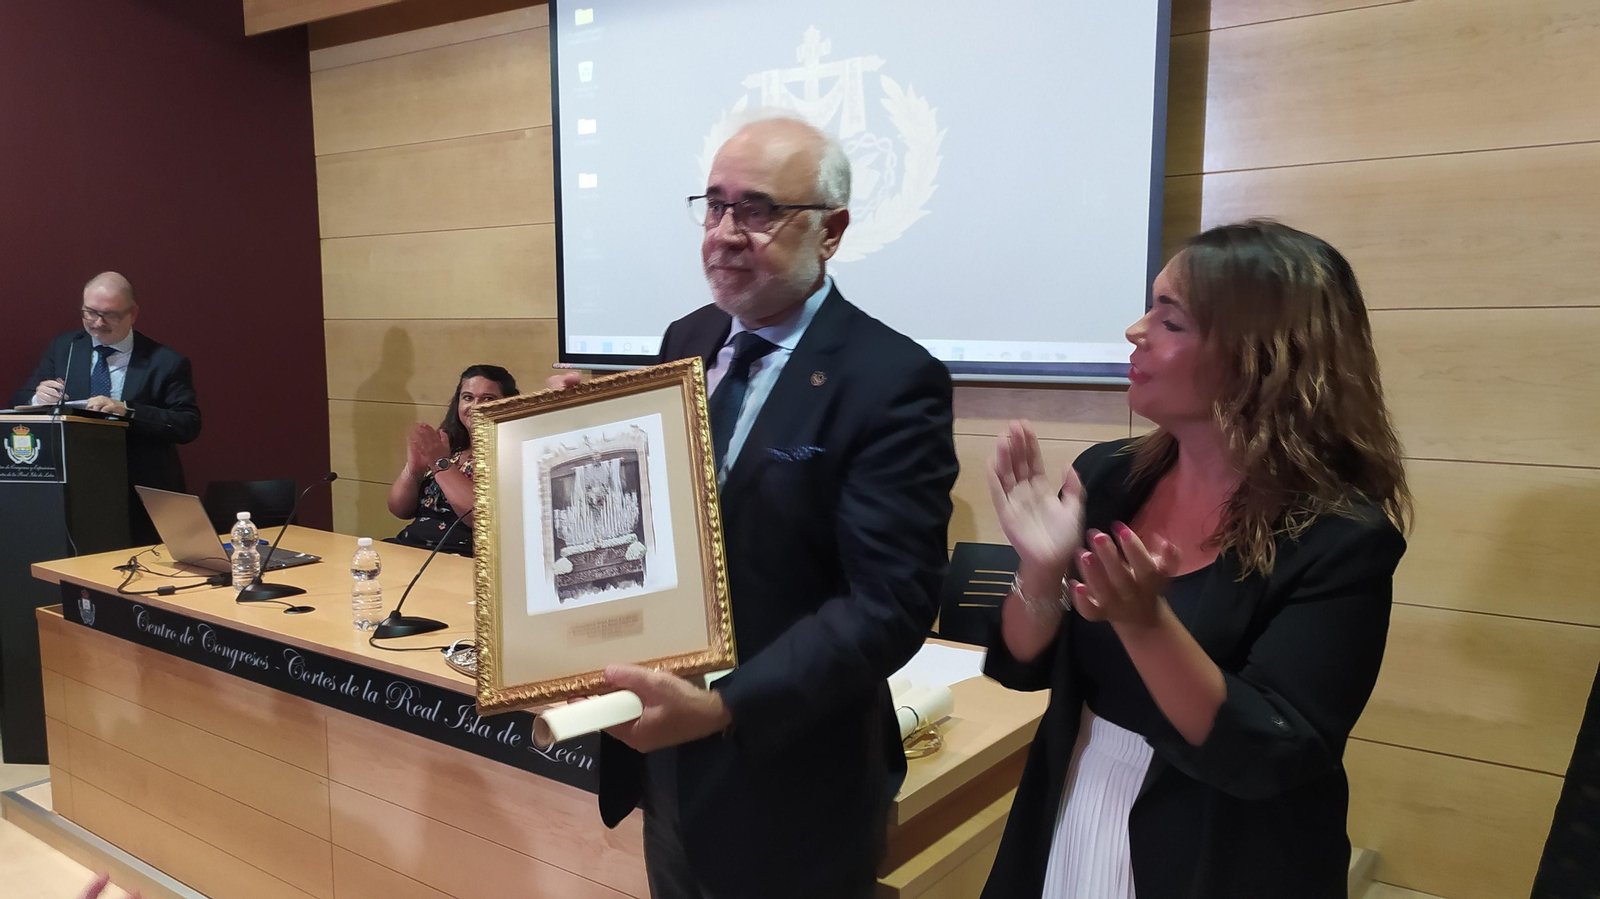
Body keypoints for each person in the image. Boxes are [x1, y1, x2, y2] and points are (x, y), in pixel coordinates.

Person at [549, 115, 959, 898]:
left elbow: (890, 603)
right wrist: (579, 443)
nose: (725, 232)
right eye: (714, 205)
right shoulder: (687, 338)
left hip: (794, 774)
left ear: (830, 231)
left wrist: (725, 706)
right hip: (664, 756)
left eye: (758, 210)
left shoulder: (891, 378)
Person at [980, 220, 1412, 899]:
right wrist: (1039, 567)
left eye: (1170, 319)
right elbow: (1023, 663)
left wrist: (1145, 623)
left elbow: (1274, 748)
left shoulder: (1341, 537)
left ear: (1260, 355)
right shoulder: (1111, 475)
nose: (1135, 330)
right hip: (1079, 789)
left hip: (1229, 845)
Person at [12, 272, 202, 545]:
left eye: (110, 315)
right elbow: (18, 400)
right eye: (89, 313)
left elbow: (187, 424)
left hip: (139, 492)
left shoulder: (166, 362)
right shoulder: (65, 347)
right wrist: (37, 399)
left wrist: (127, 410)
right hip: (77, 489)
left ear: (133, 313)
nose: (97, 324)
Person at [386, 364, 516, 556]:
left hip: (461, 556)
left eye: (488, 398)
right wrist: (414, 470)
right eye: (468, 398)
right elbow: (399, 510)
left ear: (508, 403)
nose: (475, 406)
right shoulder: (448, 446)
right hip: (411, 547)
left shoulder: (511, 454)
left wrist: (441, 464)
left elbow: (480, 518)